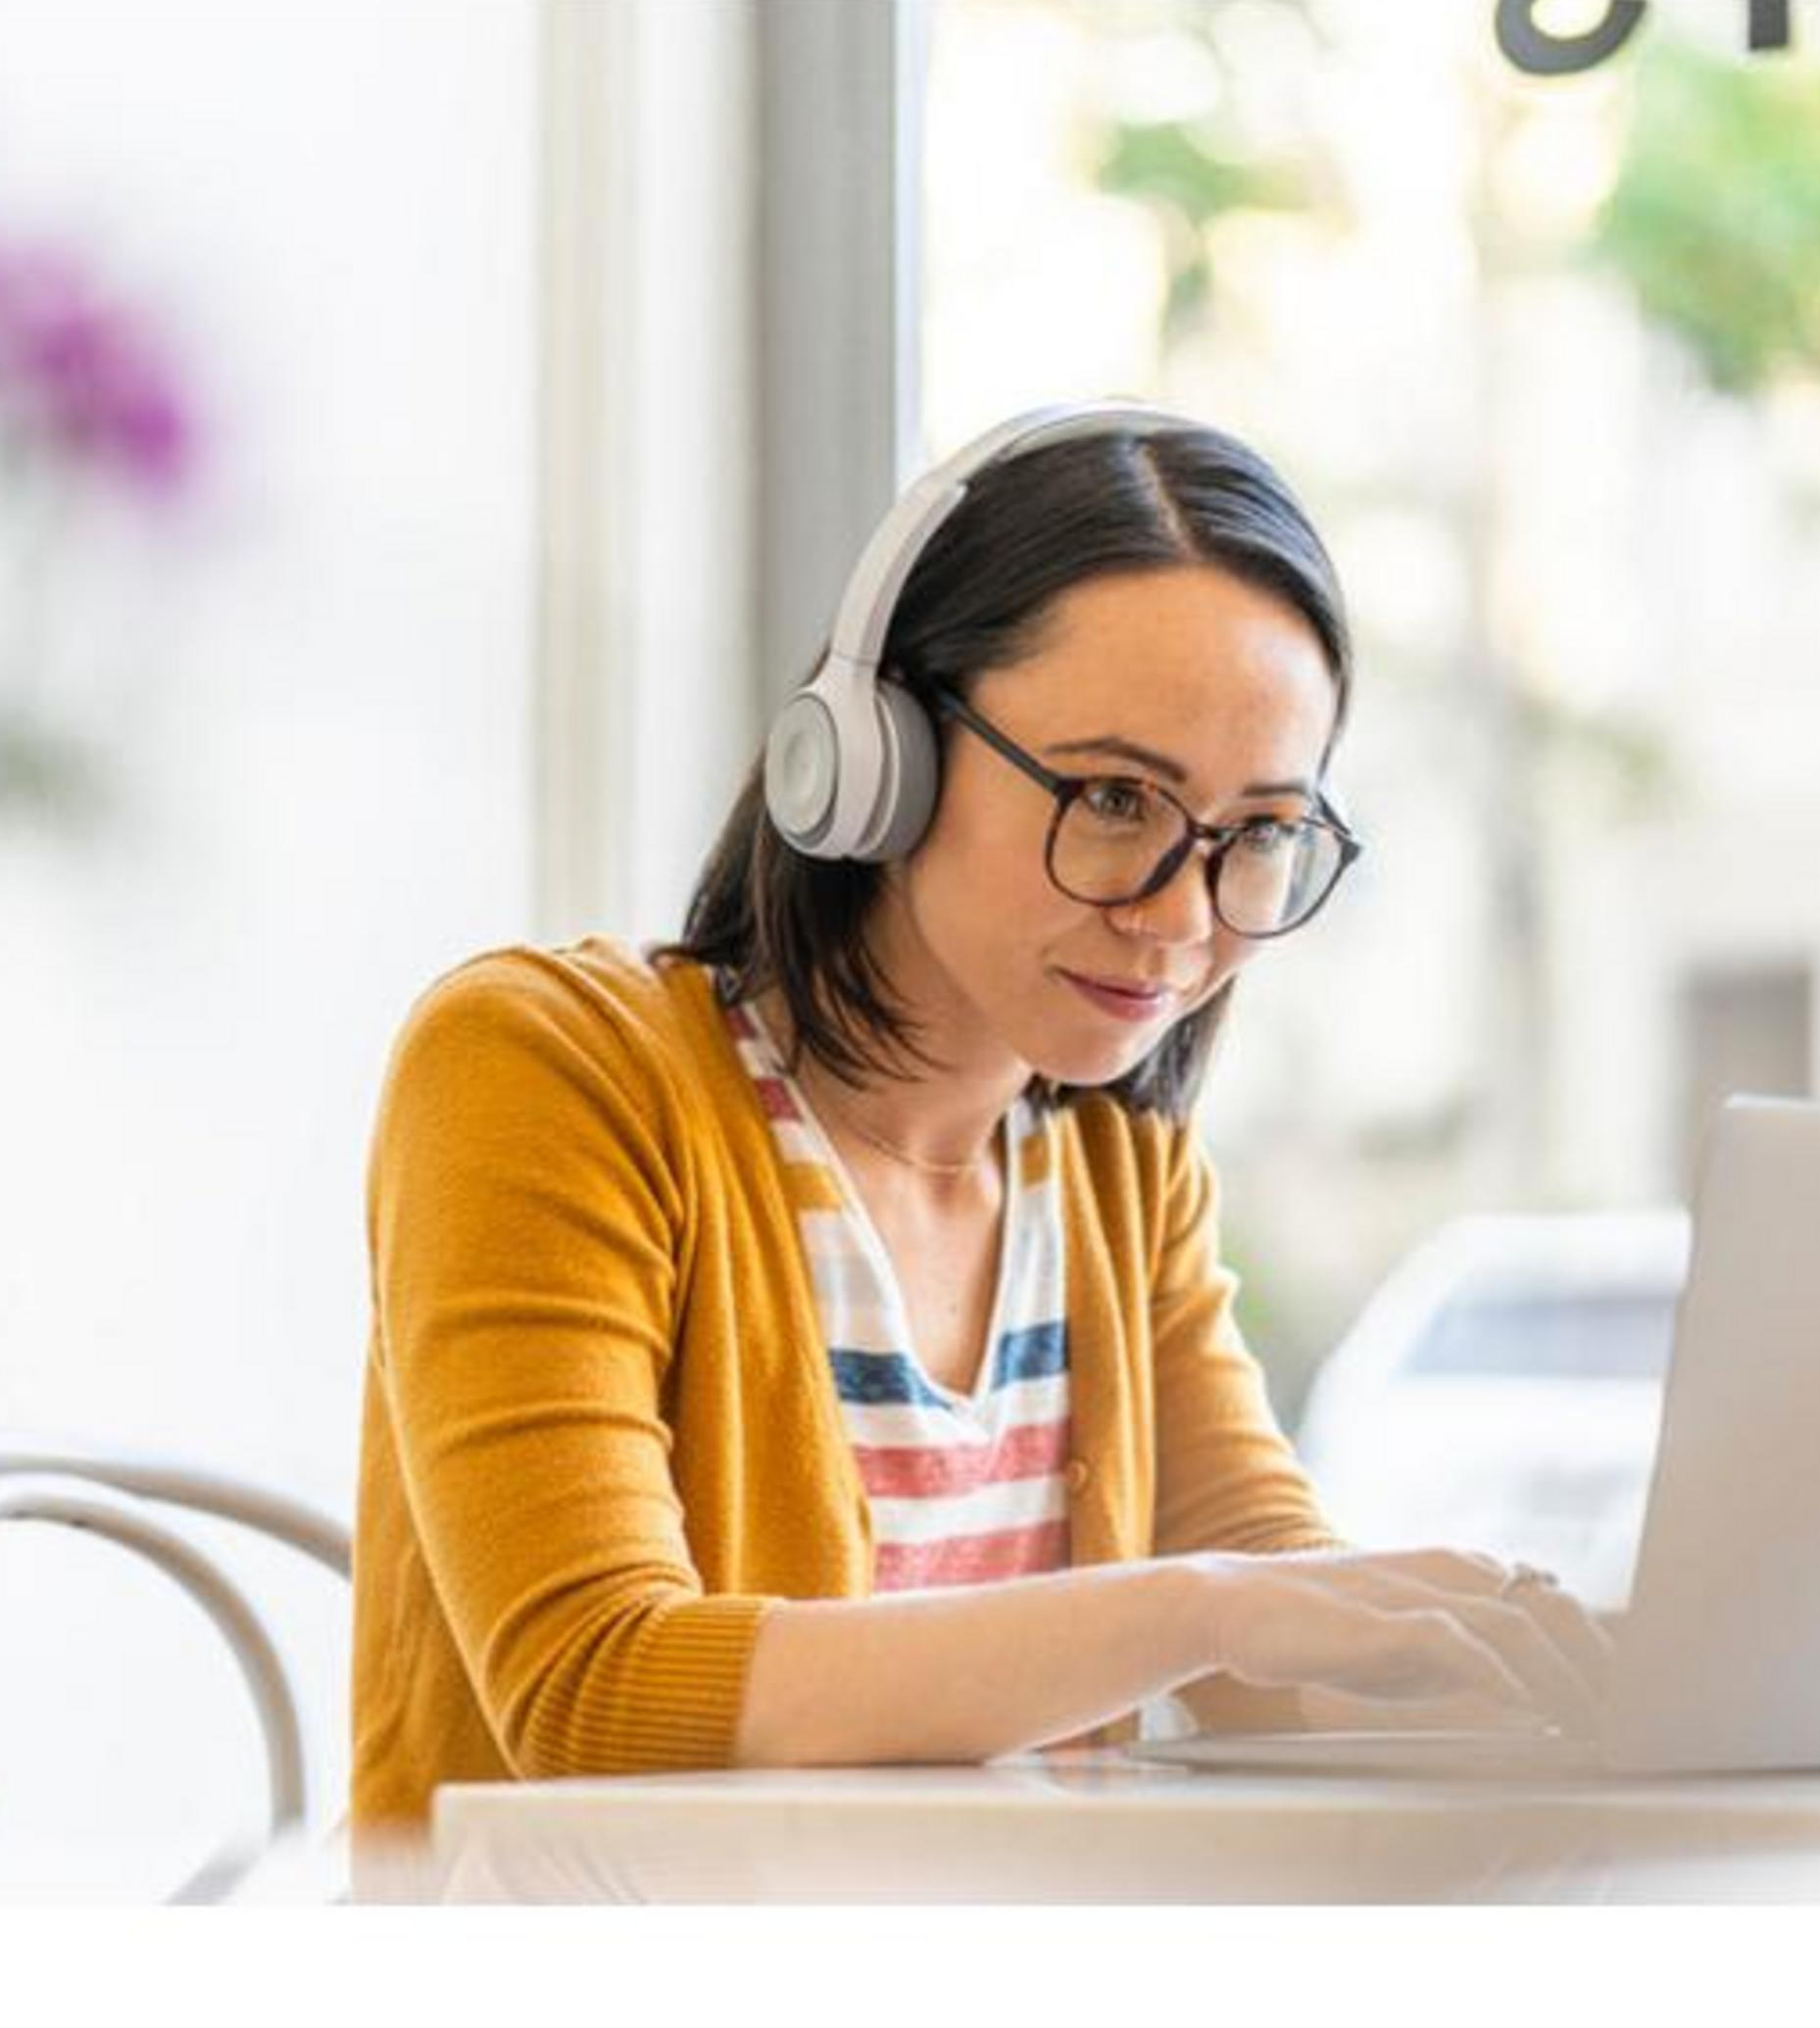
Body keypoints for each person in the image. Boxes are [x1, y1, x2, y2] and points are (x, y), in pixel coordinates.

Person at [351, 402, 1610, 1820]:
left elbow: (1281, 1635)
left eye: (1257, 834)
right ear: (877, 753)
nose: (1183, 921)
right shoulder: (544, 1070)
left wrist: (1557, 1672)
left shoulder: (1117, 1171)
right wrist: (1205, 1612)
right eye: (1117, 799)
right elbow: (595, 1692)